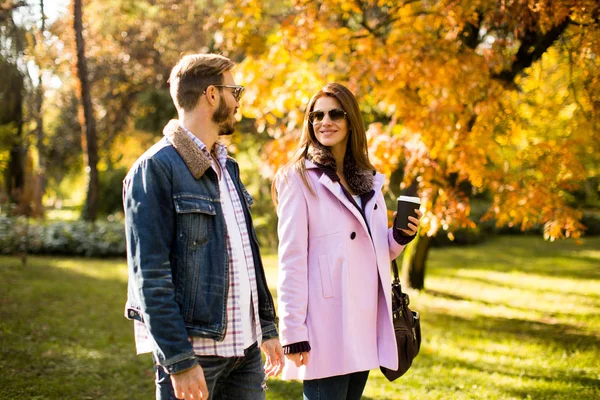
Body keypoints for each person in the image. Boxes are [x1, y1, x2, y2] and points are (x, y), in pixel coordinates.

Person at [123, 53, 284, 400]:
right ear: (212, 95)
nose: (238, 102)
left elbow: (247, 254)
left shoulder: (228, 167)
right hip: (196, 354)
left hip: (246, 351)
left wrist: (267, 328)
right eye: (234, 91)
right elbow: (149, 276)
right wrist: (179, 361)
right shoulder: (155, 169)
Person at [273, 83, 422, 399]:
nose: (324, 121)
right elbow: (291, 259)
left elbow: (375, 251)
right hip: (324, 325)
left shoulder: (367, 180)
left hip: (362, 319)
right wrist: (293, 332)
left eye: (334, 113)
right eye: (317, 115)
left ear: (351, 119)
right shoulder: (298, 179)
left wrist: (399, 236)